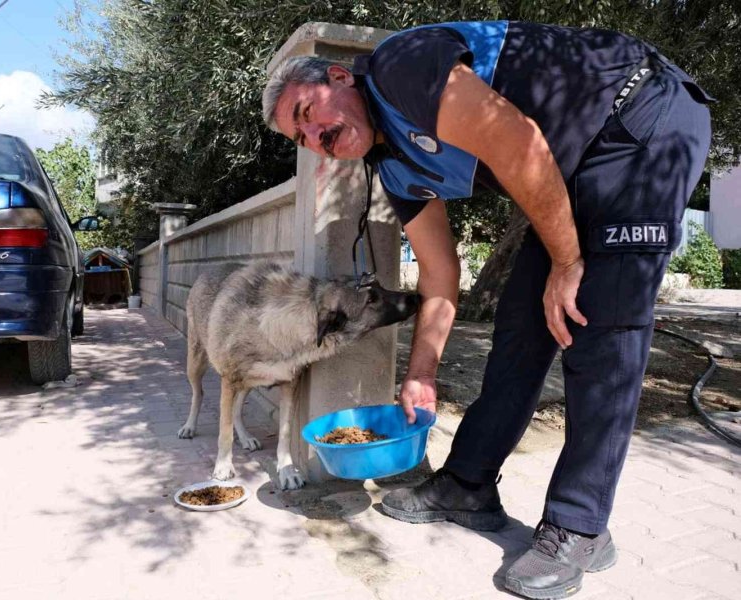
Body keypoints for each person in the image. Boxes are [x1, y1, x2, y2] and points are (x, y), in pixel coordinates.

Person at [261, 20, 712, 600]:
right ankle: (468, 484)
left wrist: (568, 264)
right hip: (575, 168)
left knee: (601, 323)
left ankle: (580, 526)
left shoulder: (402, 67)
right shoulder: (393, 166)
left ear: (341, 77)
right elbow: (440, 273)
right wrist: (420, 372)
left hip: (640, 116)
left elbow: (520, 141)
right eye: (301, 139)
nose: (314, 135)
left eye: (306, 112)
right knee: (522, 328)